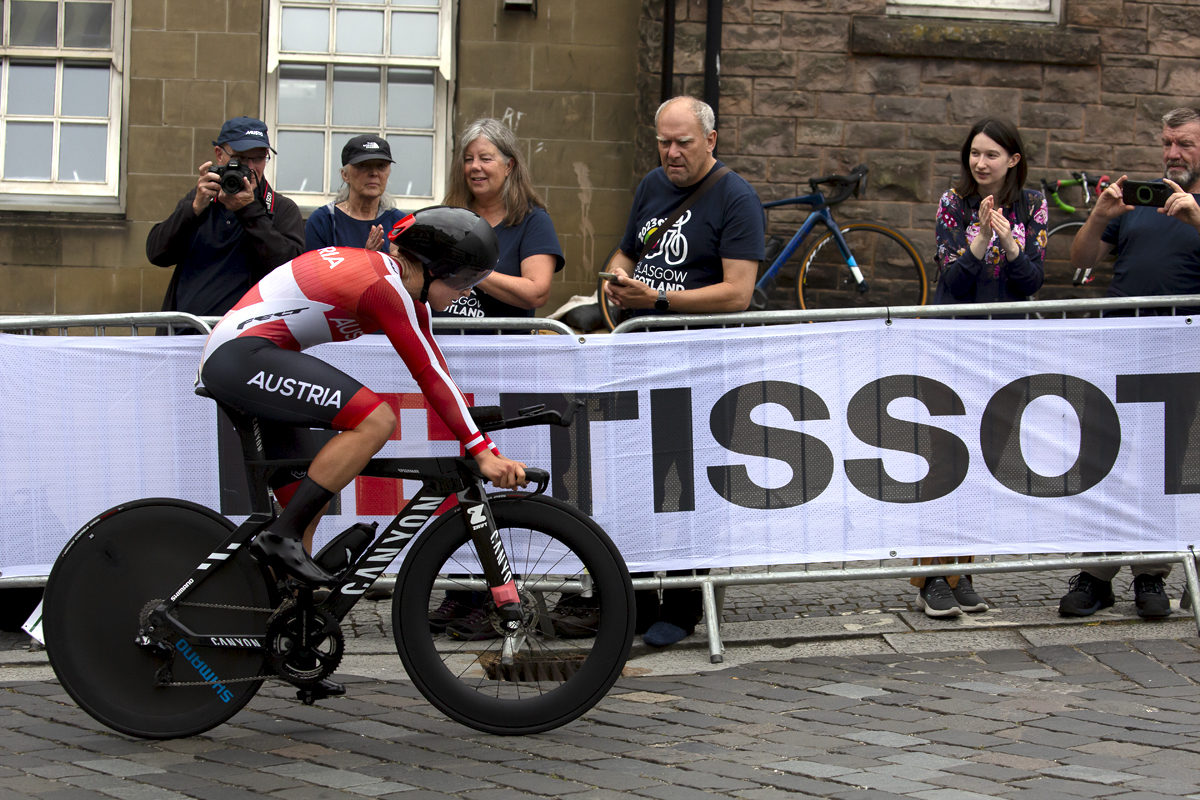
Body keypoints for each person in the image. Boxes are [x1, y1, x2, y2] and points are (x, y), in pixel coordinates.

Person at [198, 207, 529, 696]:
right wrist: (482, 451)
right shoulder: (387, 284)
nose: (467, 291)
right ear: (432, 267)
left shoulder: (393, 283)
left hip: (251, 356)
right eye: (463, 278)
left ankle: (293, 645)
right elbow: (428, 375)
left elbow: (437, 369)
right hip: (240, 357)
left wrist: (475, 435)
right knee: (375, 420)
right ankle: (280, 537)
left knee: (302, 503)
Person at [604, 96, 765, 648]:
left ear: (711, 140)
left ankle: (687, 601)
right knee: (640, 480)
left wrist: (661, 300)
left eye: (683, 143)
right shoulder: (651, 186)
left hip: (701, 365)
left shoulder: (736, 197)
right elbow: (627, 253)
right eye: (664, 142)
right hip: (641, 357)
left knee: (690, 483)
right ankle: (643, 594)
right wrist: (615, 278)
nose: (672, 153)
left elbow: (738, 292)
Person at [1058, 106, 1200, 620]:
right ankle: (1096, 576)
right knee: (1106, 459)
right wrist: (1099, 215)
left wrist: (1195, 216)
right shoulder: (1141, 205)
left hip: (1179, 356)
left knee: (1163, 466)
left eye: (1183, 143)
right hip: (1117, 346)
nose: (1172, 154)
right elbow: (1079, 262)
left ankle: (1151, 576)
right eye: (1167, 143)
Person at [918, 118, 1049, 619]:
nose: (980, 163)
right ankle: (930, 574)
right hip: (953, 345)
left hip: (1003, 349)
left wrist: (1010, 243)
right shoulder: (954, 204)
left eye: (992, 154)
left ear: (1013, 159)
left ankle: (963, 571)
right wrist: (977, 243)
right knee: (942, 456)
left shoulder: (1031, 204)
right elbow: (952, 278)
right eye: (975, 153)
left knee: (978, 461)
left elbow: (1031, 280)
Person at [147, 116, 304, 320]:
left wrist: (249, 211)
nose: (250, 168)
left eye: (258, 158)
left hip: (245, 339)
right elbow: (157, 254)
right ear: (219, 155)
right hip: (188, 333)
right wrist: (193, 209)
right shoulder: (201, 200)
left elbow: (290, 274)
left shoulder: (280, 209)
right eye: (239, 159)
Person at [436, 118, 564, 320]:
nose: (475, 166)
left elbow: (537, 293)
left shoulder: (533, 221)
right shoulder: (446, 217)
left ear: (508, 166)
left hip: (499, 349)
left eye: (485, 159)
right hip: (444, 347)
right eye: (468, 159)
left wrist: (469, 271)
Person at [305, 135, 406, 252]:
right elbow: (315, 269)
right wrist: (365, 259)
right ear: (345, 175)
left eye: (381, 166)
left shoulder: (400, 224)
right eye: (364, 166)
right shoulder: (323, 221)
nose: (374, 173)